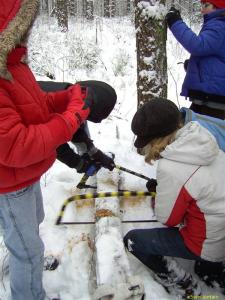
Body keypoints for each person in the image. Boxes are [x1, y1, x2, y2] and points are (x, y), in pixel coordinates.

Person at [0, 1, 99, 299]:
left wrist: (68, 96)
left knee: (31, 225)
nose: (26, 32)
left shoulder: (14, 66)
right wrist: (71, 118)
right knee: (26, 246)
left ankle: (23, 257)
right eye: (20, 26)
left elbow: (37, 107)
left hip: (25, 176)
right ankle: (28, 286)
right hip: (9, 182)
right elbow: (16, 145)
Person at [124, 98, 225, 298]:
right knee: (206, 267)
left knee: (132, 240)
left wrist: (159, 194)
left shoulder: (170, 166)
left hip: (208, 242)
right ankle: (211, 271)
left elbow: (168, 219)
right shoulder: (204, 137)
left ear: (157, 139)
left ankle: (181, 282)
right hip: (221, 233)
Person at [38, 80, 117, 174]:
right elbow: (53, 144)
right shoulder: (45, 104)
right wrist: (79, 164)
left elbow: (74, 130)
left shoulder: (71, 96)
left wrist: (95, 153)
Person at [165, 0, 225, 119]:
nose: (202, 10)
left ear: (219, 7)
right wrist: (196, 67)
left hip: (214, 98)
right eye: (202, 5)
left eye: (206, 5)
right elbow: (214, 53)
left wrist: (175, 22)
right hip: (211, 95)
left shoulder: (219, 25)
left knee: (202, 134)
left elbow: (198, 46)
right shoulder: (218, 23)